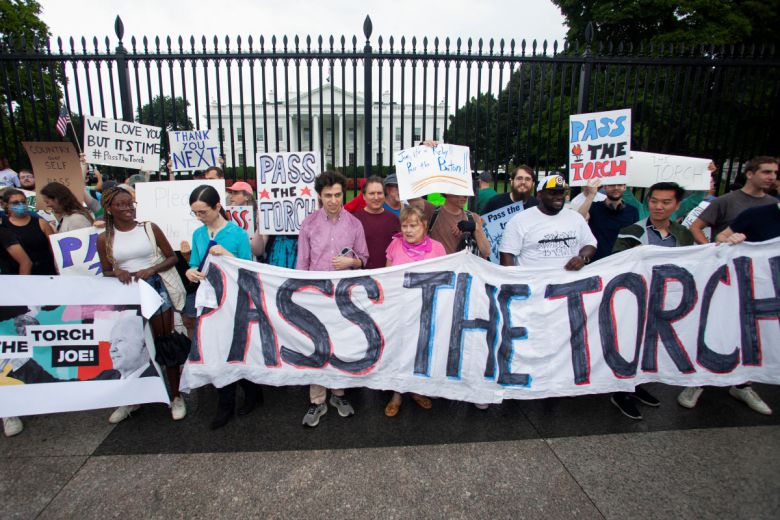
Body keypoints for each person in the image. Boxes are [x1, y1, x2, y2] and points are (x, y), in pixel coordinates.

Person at [96, 186, 186, 423]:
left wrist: (152, 269)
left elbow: (172, 257)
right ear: (109, 208)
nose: (128, 208)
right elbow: (104, 270)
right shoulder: (104, 238)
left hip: (155, 288)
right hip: (126, 295)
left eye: (130, 204)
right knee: (132, 348)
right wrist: (116, 271)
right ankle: (131, 399)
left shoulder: (149, 228)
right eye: (122, 205)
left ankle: (175, 396)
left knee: (165, 341)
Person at [610, 182, 693, 419]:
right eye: (654, 201)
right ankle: (621, 392)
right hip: (637, 299)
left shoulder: (684, 235)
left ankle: (637, 385)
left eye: (666, 202)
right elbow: (618, 263)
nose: (658, 207)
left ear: (676, 205)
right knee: (628, 344)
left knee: (650, 346)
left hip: (668, 301)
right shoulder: (631, 232)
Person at [185, 184, 261, 429]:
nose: (200, 217)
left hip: (232, 299)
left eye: (203, 212)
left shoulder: (236, 234)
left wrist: (227, 254)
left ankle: (251, 391)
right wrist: (190, 270)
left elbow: (248, 267)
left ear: (218, 207)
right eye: (195, 213)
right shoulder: (198, 234)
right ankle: (225, 402)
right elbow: (196, 262)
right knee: (216, 349)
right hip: (208, 300)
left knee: (235, 348)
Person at [297, 170, 368, 427]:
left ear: (343, 194)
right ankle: (317, 399)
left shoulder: (354, 224)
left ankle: (338, 393)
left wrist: (352, 261)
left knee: (341, 345)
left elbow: (364, 259)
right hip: (316, 295)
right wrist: (302, 295)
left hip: (344, 296)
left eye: (338, 194)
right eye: (328, 195)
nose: (334, 200)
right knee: (316, 346)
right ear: (319, 196)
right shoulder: (309, 224)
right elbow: (302, 263)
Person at [383, 205, 445, 416]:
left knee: (421, 350)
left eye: (413, 225)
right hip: (400, 310)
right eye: (404, 225)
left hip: (425, 309)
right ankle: (397, 394)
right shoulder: (394, 245)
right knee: (399, 351)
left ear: (424, 225)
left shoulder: (437, 248)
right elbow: (387, 277)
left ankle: (417, 390)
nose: (408, 230)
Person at [500, 175, 596, 270]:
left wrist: (582, 258)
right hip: (534, 283)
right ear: (539, 195)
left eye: (561, 193)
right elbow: (507, 254)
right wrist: (513, 283)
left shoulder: (576, 217)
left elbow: (590, 243)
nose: (559, 197)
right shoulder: (520, 220)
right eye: (552, 193)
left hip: (570, 283)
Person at [689, 156, 778, 244]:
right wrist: (711, 250)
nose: (772, 177)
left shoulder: (775, 204)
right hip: (726, 256)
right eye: (767, 172)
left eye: (775, 173)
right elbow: (695, 228)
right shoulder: (725, 201)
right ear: (749, 174)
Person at [576, 180, 639, 262]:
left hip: (622, 262)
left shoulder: (633, 211)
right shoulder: (594, 207)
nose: (616, 188)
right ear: (605, 187)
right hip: (596, 262)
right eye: (612, 185)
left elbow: (636, 239)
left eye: (619, 185)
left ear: (624, 187)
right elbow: (579, 219)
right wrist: (591, 195)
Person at [0, 189, 57, 275]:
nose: (21, 205)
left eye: (23, 202)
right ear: (6, 205)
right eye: (15, 203)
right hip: (13, 276)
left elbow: (55, 249)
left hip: (45, 274)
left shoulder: (41, 223)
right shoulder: (3, 226)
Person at [353, 175, 400, 269]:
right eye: (371, 193)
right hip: (361, 275)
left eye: (379, 193)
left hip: (388, 274)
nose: (376, 197)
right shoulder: (354, 219)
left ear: (384, 195)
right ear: (364, 196)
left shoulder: (393, 219)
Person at [429, 193, 490, 259]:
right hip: (441, 267)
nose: (465, 196)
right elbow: (417, 202)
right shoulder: (431, 212)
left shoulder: (473, 217)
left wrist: (475, 227)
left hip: (466, 267)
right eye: (460, 191)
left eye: (466, 191)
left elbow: (486, 252)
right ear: (447, 192)